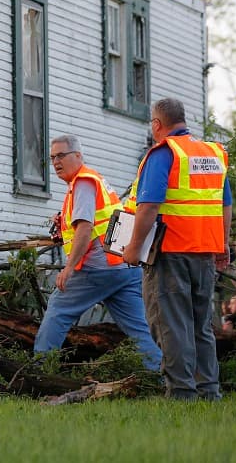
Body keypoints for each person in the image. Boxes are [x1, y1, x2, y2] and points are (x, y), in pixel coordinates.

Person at [122, 98, 232, 400]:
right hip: (205, 252)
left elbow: (148, 207)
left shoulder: (164, 153)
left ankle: (182, 393)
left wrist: (132, 248)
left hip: (169, 252)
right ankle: (209, 391)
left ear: (157, 125)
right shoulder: (213, 153)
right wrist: (223, 244)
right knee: (200, 325)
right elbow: (225, 205)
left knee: (170, 324)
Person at [34, 134, 162, 370]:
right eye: (52, 158)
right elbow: (92, 225)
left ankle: (39, 370)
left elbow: (85, 229)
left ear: (78, 156)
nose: (56, 162)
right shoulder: (92, 181)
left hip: (98, 269)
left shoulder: (83, 182)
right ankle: (162, 375)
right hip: (124, 267)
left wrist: (69, 268)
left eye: (61, 155)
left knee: (58, 310)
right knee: (138, 328)